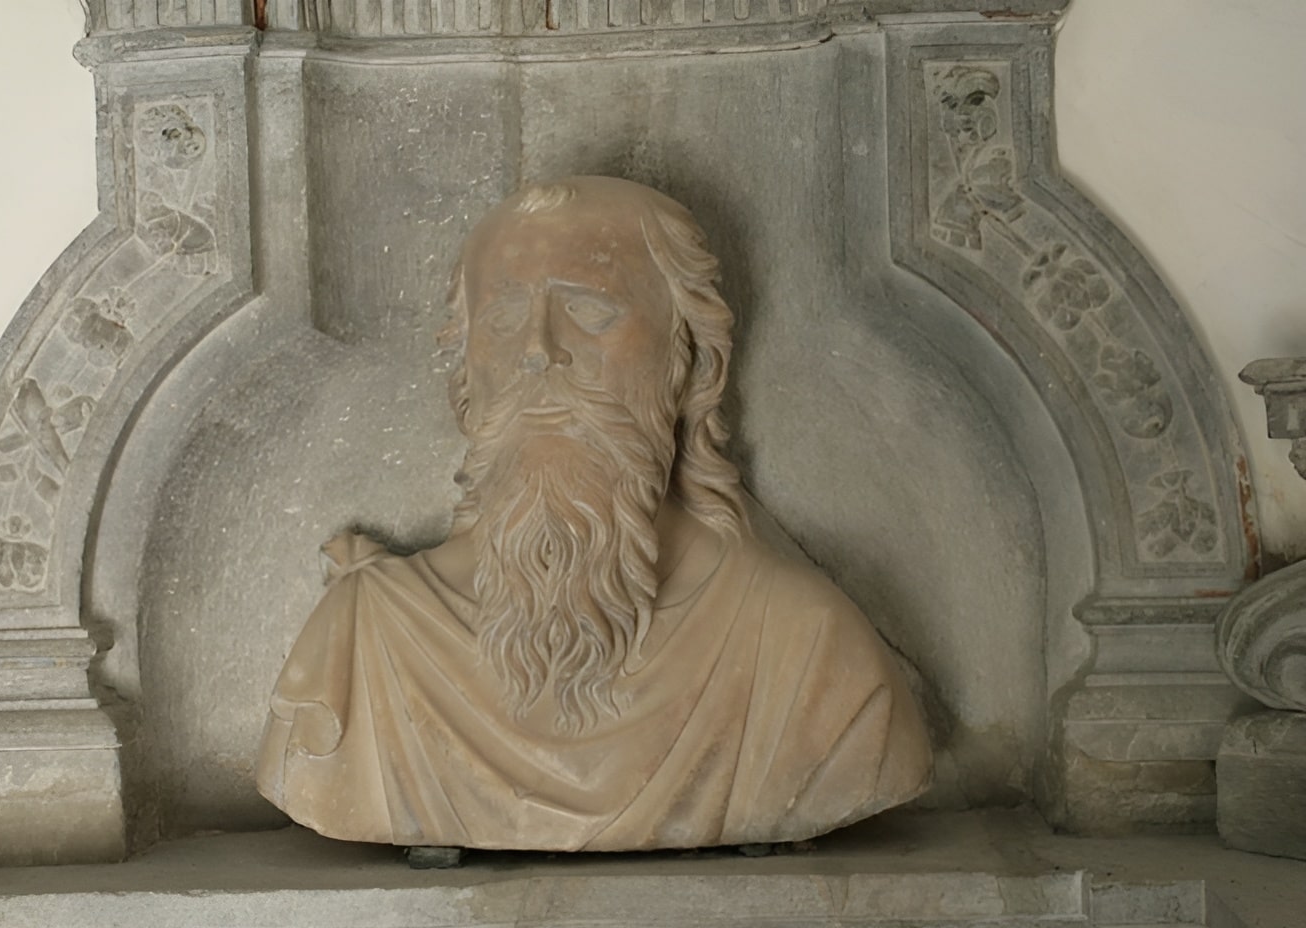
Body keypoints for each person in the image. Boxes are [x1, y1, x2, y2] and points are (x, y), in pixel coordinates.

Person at [256, 176, 932, 851]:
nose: (538, 349)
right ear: (465, 377)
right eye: (502, 319)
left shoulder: (806, 652)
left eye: (591, 311)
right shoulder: (369, 638)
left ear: (690, 362)